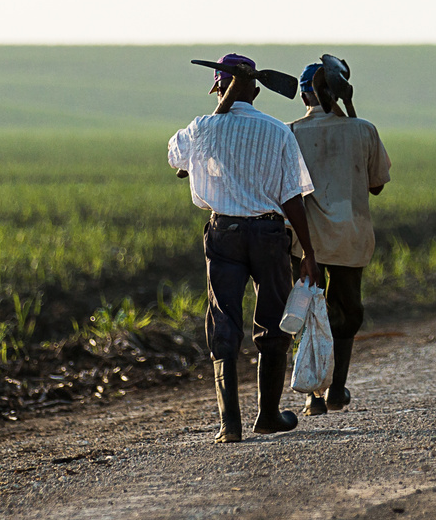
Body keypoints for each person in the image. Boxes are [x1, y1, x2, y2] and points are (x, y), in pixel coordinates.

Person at [167, 53, 319, 442]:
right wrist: (310, 254)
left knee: (224, 322)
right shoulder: (277, 131)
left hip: (225, 234)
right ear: (256, 89)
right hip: (270, 235)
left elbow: (176, 158)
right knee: (272, 322)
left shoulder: (202, 128)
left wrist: (218, 110)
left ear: (218, 86)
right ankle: (267, 415)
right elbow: (292, 199)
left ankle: (228, 424)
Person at [288, 57, 391, 415]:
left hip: (305, 242)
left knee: (307, 311)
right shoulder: (364, 130)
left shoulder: (291, 133)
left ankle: (312, 394)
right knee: (347, 312)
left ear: (304, 95)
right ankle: (337, 389)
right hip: (350, 236)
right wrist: (351, 112)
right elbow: (376, 185)